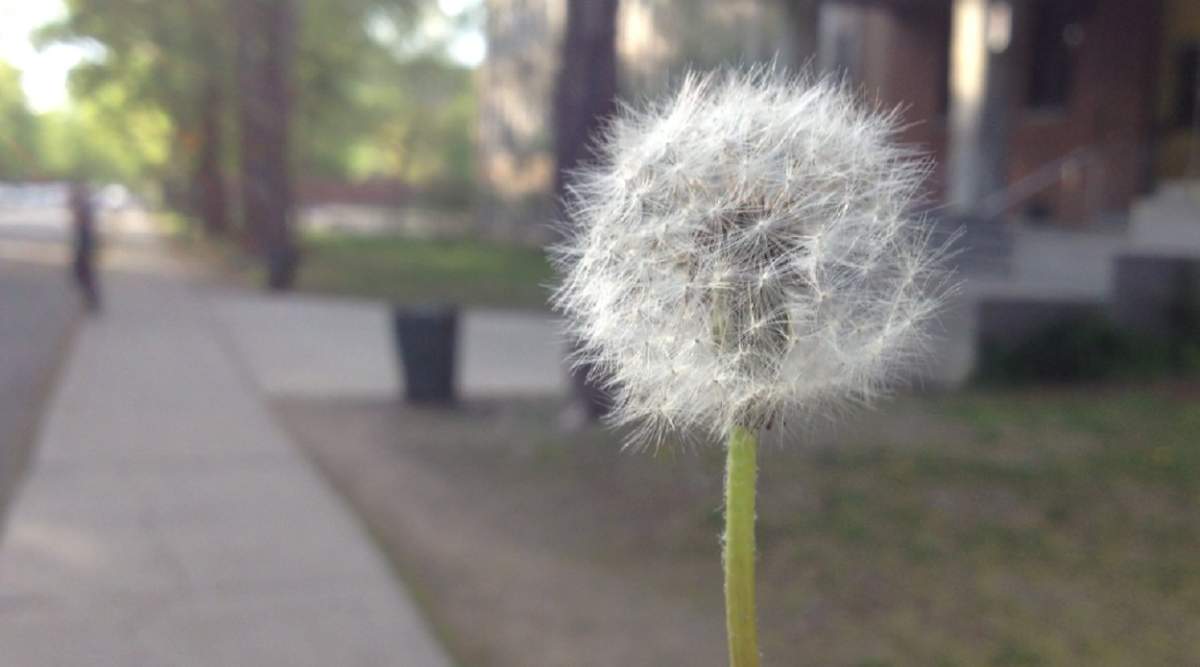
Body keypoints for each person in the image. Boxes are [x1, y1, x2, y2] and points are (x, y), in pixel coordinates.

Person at [68, 181, 101, 312]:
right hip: (85, 245)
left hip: (86, 246)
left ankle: (92, 302)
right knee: (82, 274)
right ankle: (90, 301)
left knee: (83, 274)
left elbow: (86, 229)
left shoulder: (85, 207)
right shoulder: (84, 206)